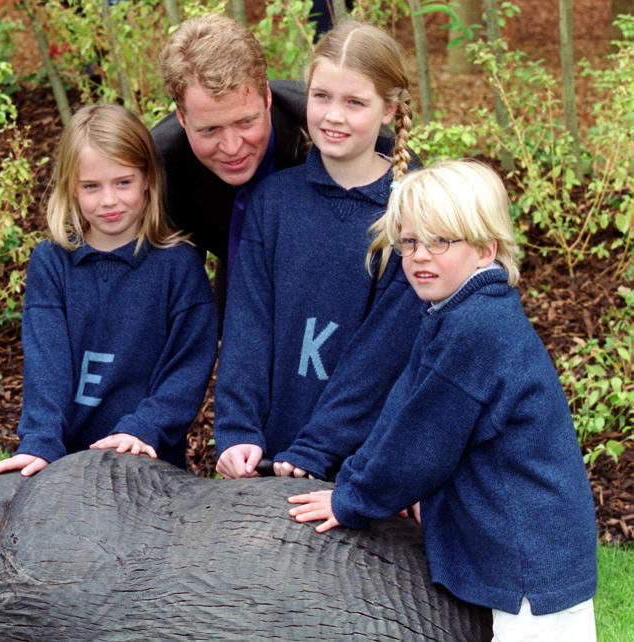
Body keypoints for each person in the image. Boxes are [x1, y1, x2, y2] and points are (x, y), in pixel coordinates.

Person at [287, 159, 598, 641]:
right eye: (409, 242)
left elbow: (421, 443)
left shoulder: (478, 328)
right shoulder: (454, 312)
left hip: (531, 550)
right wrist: (362, 477)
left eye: (440, 241)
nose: (419, 256)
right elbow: (405, 406)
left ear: (485, 248)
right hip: (519, 537)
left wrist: (353, 500)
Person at [213, 20, 423, 481]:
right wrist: (236, 431)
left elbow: (384, 354)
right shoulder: (273, 202)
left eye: (355, 102)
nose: (333, 115)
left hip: (365, 466)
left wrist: (319, 446)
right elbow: (248, 325)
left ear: (389, 109)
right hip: (268, 458)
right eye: (322, 96)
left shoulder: (414, 212)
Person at [0, 103, 217, 479]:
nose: (108, 200)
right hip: (66, 464)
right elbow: (46, 365)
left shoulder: (179, 267)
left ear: (148, 179)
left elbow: (186, 371)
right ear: (70, 189)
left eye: (123, 182)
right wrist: (40, 441)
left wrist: (143, 428)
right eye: (91, 186)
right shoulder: (52, 262)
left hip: (147, 460)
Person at [151, 14, 404, 311]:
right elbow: (171, 285)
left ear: (267, 98)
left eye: (246, 122)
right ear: (182, 118)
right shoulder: (163, 163)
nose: (232, 147)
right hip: (236, 289)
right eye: (209, 130)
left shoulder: (321, 132)